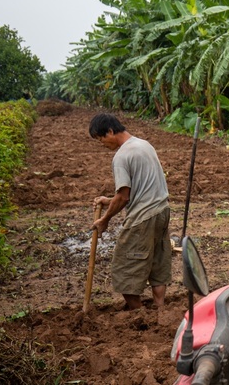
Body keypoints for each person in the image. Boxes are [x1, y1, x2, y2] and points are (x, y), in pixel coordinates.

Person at [89, 113, 171, 310]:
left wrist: (105, 219)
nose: (102, 144)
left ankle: (139, 312)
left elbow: (124, 196)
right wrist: (109, 200)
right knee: (157, 262)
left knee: (124, 266)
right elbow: (139, 189)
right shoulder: (144, 145)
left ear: (110, 131)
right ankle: (160, 307)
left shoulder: (121, 156)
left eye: (101, 138)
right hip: (162, 211)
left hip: (143, 218)